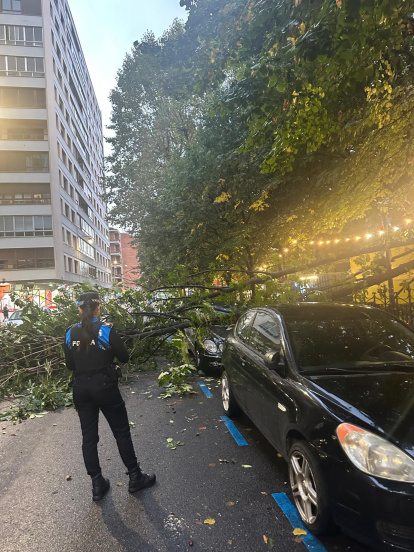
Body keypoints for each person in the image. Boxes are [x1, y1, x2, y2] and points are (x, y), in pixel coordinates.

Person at [63, 291, 155, 501]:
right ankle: (135, 477)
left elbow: (70, 365)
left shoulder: (69, 333)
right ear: (98, 308)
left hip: (81, 389)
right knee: (121, 431)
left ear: (79, 309)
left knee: (89, 437)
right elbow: (124, 357)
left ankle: (97, 484)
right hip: (105, 387)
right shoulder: (106, 330)